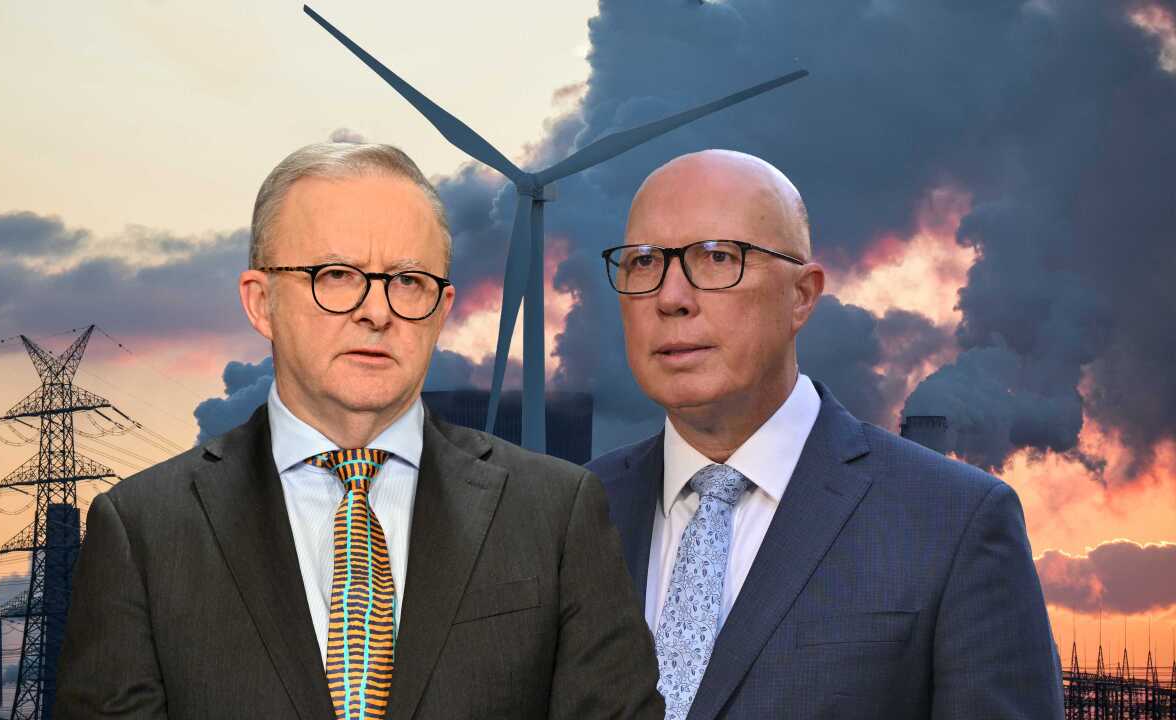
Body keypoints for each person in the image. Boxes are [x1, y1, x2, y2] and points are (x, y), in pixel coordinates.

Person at [55, 142, 663, 719]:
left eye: (408, 281)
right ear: (260, 301)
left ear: (442, 310)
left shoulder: (557, 513)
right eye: (337, 275)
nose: (377, 311)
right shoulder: (142, 530)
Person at [587, 149, 1063, 719]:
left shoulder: (954, 522)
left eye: (717, 257)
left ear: (803, 295)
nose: (671, 297)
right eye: (643, 263)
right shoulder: (573, 512)